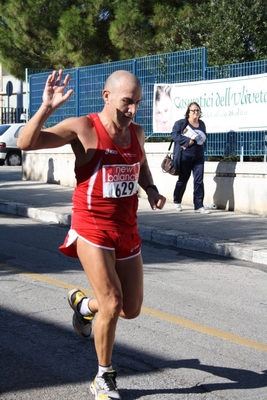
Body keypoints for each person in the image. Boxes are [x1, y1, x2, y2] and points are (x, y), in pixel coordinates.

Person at [17, 69, 166, 400]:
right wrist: (46, 108)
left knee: (130, 308)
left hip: (126, 229)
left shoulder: (137, 133)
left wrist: (152, 189)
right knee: (113, 301)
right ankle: (104, 376)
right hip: (91, 226)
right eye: (126, 103)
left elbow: (140, 165)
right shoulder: (83, 128)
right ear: (107, 96)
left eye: (137, 104)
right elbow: (25, 143)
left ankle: (84, 307)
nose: (131, 111)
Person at [171, 101, 209, 214]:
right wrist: (188, 141)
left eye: (198, 110)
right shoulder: (181, 123)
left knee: (199, 181)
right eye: (193, 110)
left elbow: (203, 138)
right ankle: (177, 200)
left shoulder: (202, 124)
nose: (196, 112)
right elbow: (174, 135)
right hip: (185, 156)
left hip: (199, 157)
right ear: (188, 112)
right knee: (183, 179)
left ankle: (198, 205)